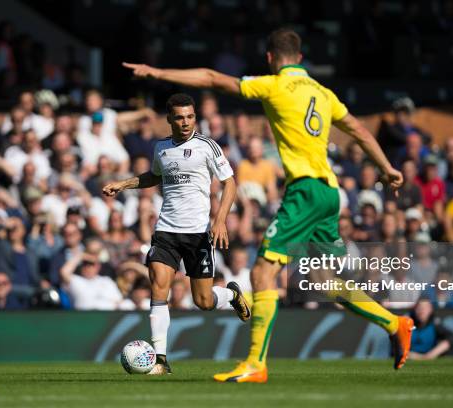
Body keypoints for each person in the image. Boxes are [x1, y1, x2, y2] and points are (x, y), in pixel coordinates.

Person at [120, 28, 412, 382]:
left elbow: (212, 78)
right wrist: (387, 168)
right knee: (323, 278)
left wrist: (157, 72)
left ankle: (256, 363)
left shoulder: (275, 85)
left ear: (271, 58)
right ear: (301, 58)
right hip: (331, 194)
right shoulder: (324, 93)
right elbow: (361, 132)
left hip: (304, 190)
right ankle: (395, 322)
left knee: (262, 273)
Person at [103, 93, 251, 375]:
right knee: (159, 287)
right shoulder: (161, 148)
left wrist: (220, 220)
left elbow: (229, 184)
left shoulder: (208, 146)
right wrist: (123, 184)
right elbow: (154, 176)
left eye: (190, 117)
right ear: (169, 119)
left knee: (203, 302)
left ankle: (231, 296)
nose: (186, 123)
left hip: (197, 234)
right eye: (180, 117)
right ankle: (160, 359)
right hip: (166, 231)